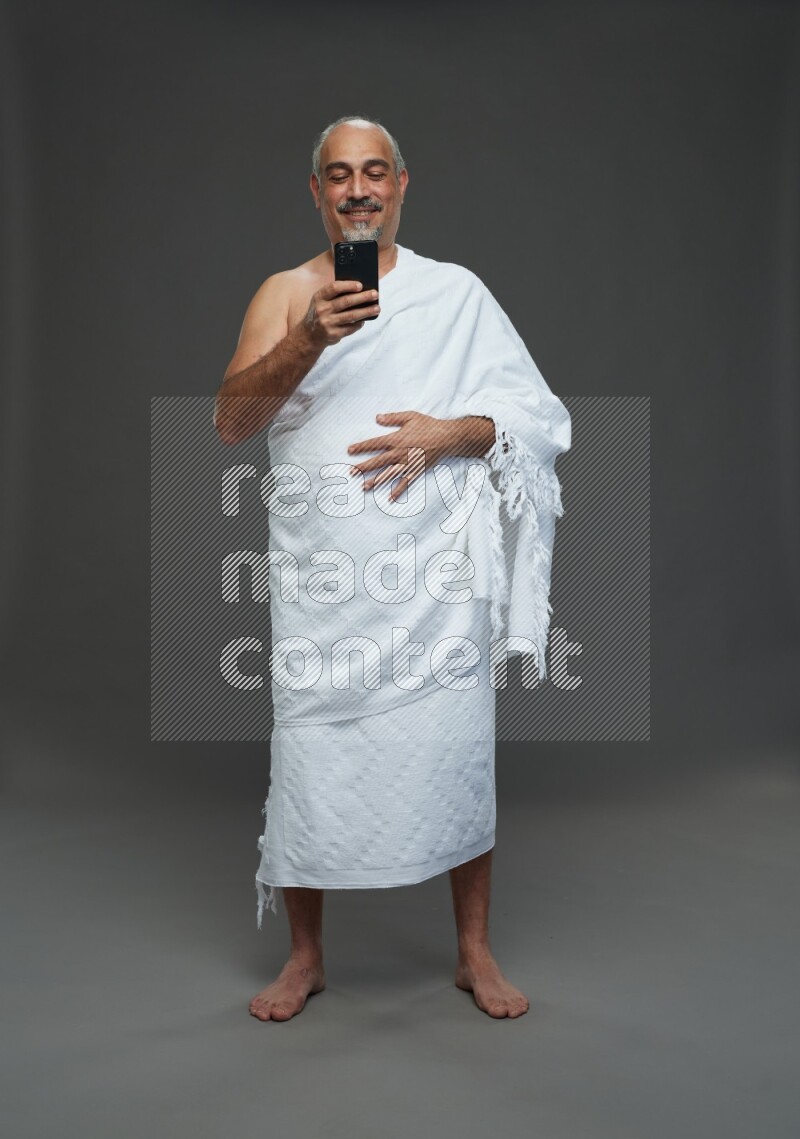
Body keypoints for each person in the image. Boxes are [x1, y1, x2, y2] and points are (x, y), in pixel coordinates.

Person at [214, 115, 571, 1021]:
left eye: (375, 172)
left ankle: (473, 952)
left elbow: (535, 421)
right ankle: (305, 959)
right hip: (326, 584)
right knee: (311, 754)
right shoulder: (287, 292)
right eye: (339, 175)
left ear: (403, 184)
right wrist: (310, 340)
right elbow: (231, 422)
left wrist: (448, 433)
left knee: (458, 749)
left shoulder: (457, 294)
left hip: (434, 587)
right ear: (317, 192)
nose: (359, 189)